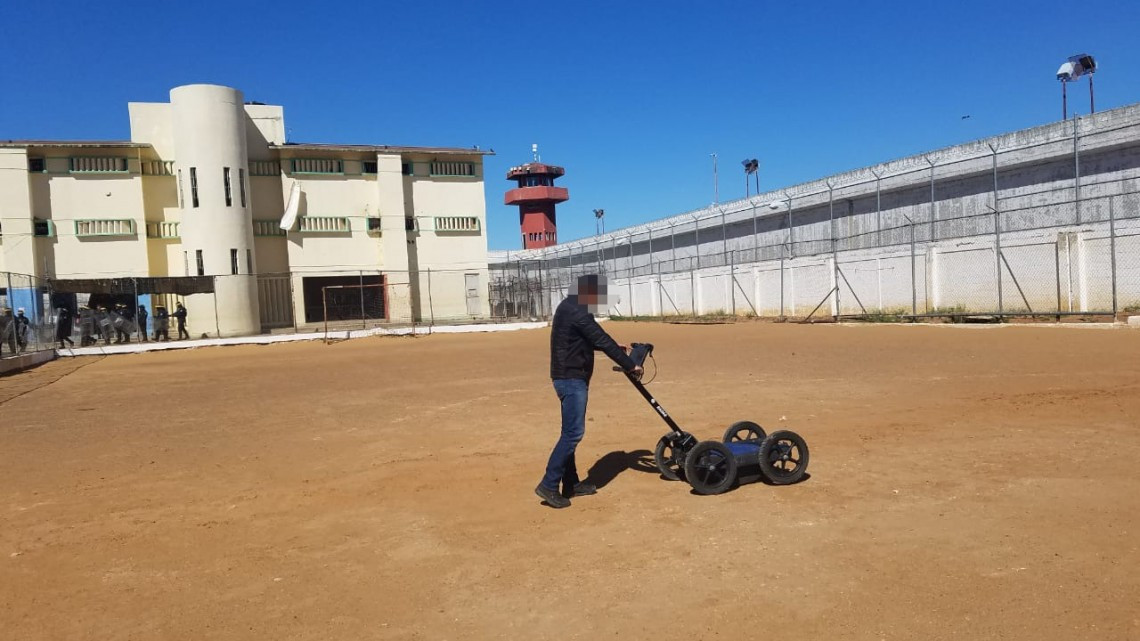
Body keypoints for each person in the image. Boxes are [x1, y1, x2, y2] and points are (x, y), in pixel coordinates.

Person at [536, 274, 642, 509]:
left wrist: (619, 347)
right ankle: (549, 484)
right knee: (573, 434)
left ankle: (571, 484)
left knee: (568, 433)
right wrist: (630, 364)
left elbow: (587, 338)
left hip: (568, 376)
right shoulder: (578, 310)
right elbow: (600, 338)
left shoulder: (571, 306)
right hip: (570, 379)